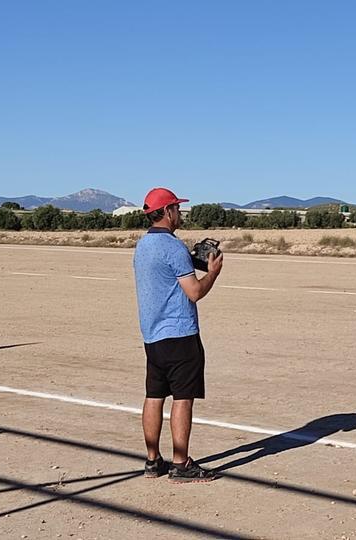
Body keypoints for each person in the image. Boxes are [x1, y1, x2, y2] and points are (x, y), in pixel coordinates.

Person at [132, 187, 223, 483]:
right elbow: (194, 292)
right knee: (183, 398)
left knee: (154, 395)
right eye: (177, 209)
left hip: (152, 335)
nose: (180, 214)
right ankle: (181, 463)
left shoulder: (143, 245)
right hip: (180, 334)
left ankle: (152, 461)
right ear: (168, 211)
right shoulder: (173, 247)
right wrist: (212, 273)